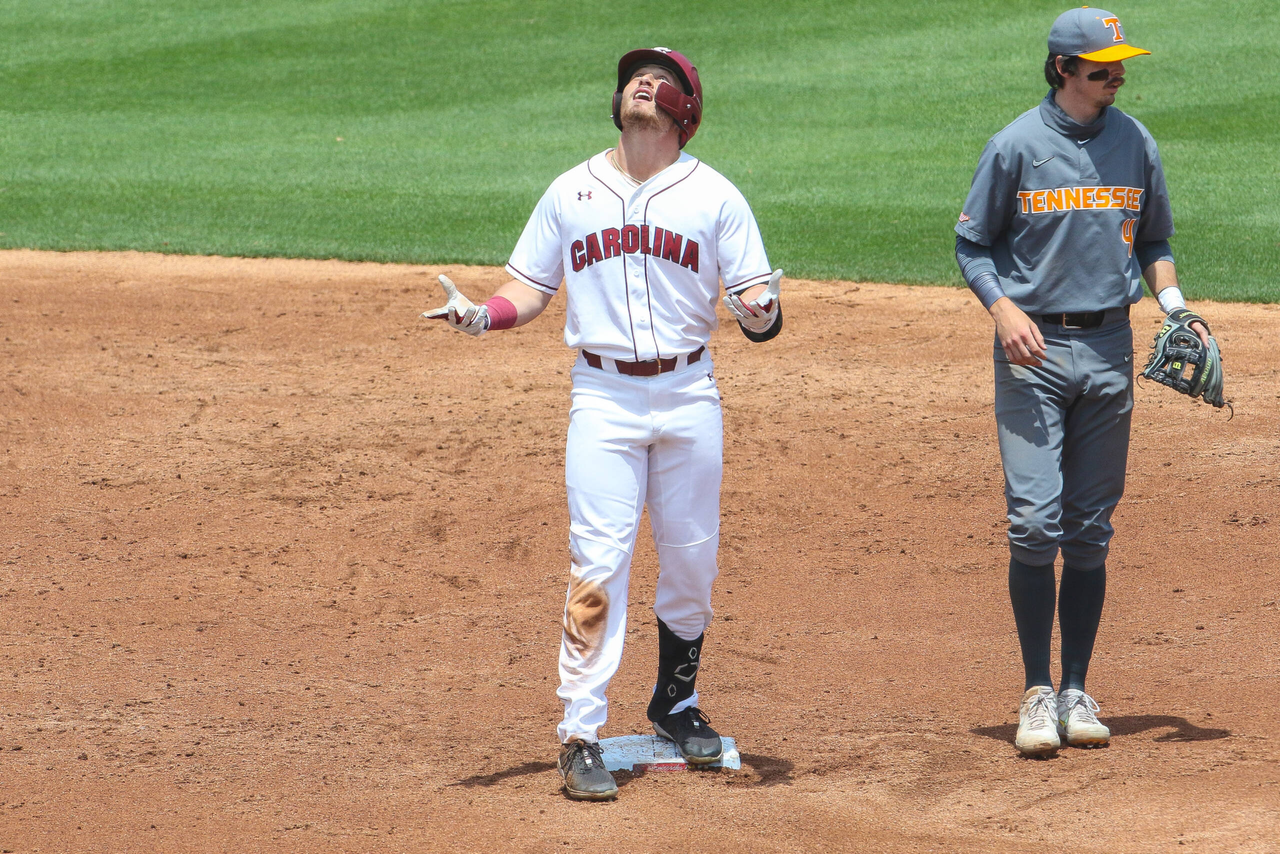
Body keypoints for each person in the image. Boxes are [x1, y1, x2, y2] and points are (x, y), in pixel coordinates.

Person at [423, 47, 783, 799]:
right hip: (604, 399)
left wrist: (759, 312)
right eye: (635, 78)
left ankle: (675, 704)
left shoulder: (715, 196)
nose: (643, 85)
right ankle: (579, 732)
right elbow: (526, 288)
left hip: (690, 395)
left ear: (686, 109)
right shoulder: (569, 191)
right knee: (598, 565)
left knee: (691, 563)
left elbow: (758, 308)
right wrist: (480, 317)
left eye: (662, 80)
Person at [954, 8, 1211, 757]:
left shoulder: (1136, 143)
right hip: (1032, 353)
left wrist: (1175, 307)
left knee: (1090, 530)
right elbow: (971, 245)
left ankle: (1074, 688)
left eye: (1120, 65)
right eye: (1102, 68)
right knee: (1036, 523)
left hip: (1109, 347)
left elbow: (1155, 238)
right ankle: (1035, 690)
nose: (1117, 76)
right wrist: (1002, 311)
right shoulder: (1015, 147)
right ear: (1063, 69)